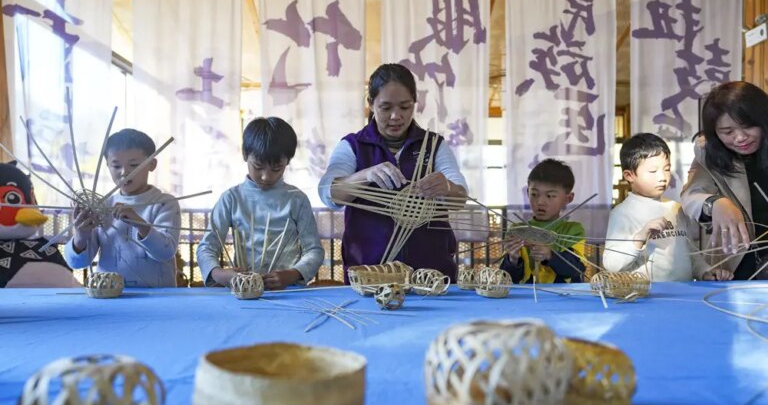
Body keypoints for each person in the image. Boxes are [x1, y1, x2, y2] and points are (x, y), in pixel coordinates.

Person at [318, 63, 468, 281]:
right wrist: (365, 175)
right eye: (386, 108)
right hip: (370, 275)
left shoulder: (434, 145)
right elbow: (327, 193)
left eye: (405, 107)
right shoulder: (353, 146)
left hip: (431, 277)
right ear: (370, 104)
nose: (396, 116)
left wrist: (447, 187)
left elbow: (460, 199)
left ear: (415, 103)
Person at [197, 117, 323, 289]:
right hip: (243, 289)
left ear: (288, 161)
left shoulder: (297, 199)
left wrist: (293, 274)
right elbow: (206, 247)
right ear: (244, 155)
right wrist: (219, 274)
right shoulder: (232, 198)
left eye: (277, 168)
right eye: (258, 166)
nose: (266, 176)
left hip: (289, 292)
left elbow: (314, 251)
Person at [605, 133, 732, 281]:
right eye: (653, 171)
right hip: (647, 299)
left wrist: (705, 271)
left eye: (666, 169)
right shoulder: (622, 213)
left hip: (683, 294)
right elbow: (611, 264)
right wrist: (640, 237)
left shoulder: (676, 208)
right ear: (629, 175)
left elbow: (690, 251)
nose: (662, 177)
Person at [64, 129, 181, 287]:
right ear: (107, 165)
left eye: (134, 165)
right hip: (109, 295)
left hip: (157, 298)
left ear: (152, 164)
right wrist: (80, 236)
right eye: (116, 165)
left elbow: (165, 252)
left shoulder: (164, 203)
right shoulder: (101, 206)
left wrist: (139, 223)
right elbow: (77, 263)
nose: (125, 172)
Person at [681, 81, 768, 279]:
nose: (739, 138)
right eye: (727, 132)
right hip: (738, 262)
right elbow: (691, 195)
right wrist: (715, 204)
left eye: (747, 127)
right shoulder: (708, 152)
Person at [500, 159, 586, 284]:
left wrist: (550, 255)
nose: (540, 201)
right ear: (527, 192)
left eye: (550, 196)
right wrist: (513, 258)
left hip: (564, 299)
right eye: (534, 194)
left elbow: (576, 270)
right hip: (525, 300)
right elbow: (506, 279)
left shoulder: (573, 230)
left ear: (568, 198)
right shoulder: (517, 230)